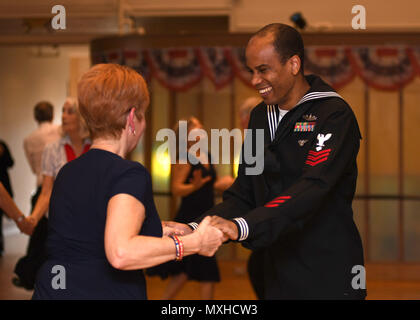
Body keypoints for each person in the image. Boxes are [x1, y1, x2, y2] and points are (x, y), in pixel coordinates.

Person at [170, 23, 366, 299]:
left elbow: (312, 187)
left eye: (263, 70)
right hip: (276, 266)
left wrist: (242, 226)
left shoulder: (333, 114)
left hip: (326, 270)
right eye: (251, 71)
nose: (254, 80)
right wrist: (195, 227)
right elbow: (244, 192)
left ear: (294, 64)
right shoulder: (260, 118)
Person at [32, 63, 224, 299]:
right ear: (132, 118)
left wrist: (158, 228)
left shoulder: (68, 171)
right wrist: (195, 243)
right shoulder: (129, 173)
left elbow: (91, 228)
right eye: (143, 116)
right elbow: (121, 252)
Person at [147, 117, 234, 300]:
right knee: (205, 271)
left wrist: (223, 184)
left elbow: (208, 184)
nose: (201, 127)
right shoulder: (185, 157)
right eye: (196, 126)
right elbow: (176, 188)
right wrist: (194, 186)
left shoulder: (206, 155)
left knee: (186, 272)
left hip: (206, 215)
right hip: (191, 219)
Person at [13, 97, 90, 290]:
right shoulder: (53, 149)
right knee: (59, 281)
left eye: (69, 111)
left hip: (90, 224)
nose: (63, 116)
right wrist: (34, 218)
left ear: (82, 117)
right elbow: (46, 192)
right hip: (62, 225)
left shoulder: (96, 146)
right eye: (62, 111)